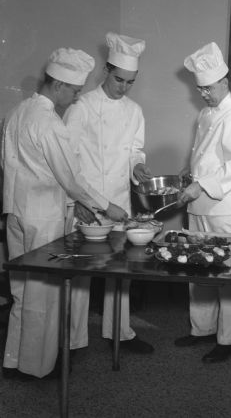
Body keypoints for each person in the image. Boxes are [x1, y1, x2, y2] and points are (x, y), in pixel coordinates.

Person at [1, 48, 128, 379]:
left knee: (21, 291)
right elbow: (71, 181)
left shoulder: (17, 112)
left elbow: (10, 165)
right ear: (57, 85)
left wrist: (76, 202)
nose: (75, 98)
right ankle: (39, 367)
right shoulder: (49, 123)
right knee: (45, 295)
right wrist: (106, 205)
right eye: (73, 90)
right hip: (42, 219)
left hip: (15, 212)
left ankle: (15, 360)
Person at [64, 32, 154, 355]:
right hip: (88, 201)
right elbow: (68, 160)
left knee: (121, 271)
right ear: (106, 70)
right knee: (82, 273)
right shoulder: (82, 106)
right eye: (119, 80)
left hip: (119, 201)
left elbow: (135, 152)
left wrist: (138, 168)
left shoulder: (134, 111)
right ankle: (73, 341)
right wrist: (76, 202)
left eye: (130, 82)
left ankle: (121, 331)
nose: (124, 88)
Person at [175, 42, 231, 363]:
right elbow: (206, 155)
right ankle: (202, 329)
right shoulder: (207, 113)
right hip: (199, 203)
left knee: (227, 272)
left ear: (224, 81)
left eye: (207, 88)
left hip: (223, 205)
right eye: (199, 89)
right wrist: (189, 172)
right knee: (198, 266)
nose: (203, 94)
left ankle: (230, 339)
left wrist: (201, 185)